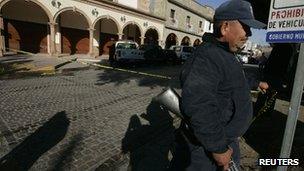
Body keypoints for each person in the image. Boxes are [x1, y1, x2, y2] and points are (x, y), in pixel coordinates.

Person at [175, 0, 269, 170]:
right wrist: (218, 149)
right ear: (225, 27)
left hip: (224, 141)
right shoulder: (207, 57)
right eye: (246, 27)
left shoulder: (224, 54)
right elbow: (199, 105)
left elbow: (234, 80)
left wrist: (257, 83)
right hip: (207, 151)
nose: (249, 33)